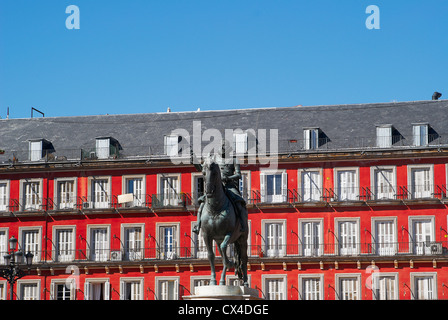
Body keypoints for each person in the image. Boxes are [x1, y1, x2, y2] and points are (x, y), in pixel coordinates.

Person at [192, 140, 248, 234]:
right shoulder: (213, 158)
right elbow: (203, 169)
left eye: (224, 147)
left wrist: (228, 178)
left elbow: (238, 174)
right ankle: (198, 225)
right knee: (203, 203)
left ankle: (242, 225)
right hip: (216, 186)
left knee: (239, 204)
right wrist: (194, 161)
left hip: (229, 186)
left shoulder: (234, 159)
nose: (222, 149)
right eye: (221, 147)